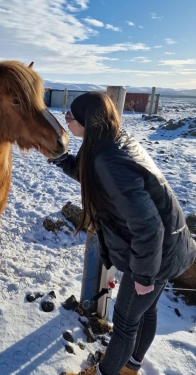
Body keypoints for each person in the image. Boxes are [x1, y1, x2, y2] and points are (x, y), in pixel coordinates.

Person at [47, 92, 196, 375]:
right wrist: (61, 160)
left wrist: (142, 276)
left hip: (157, 251)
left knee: (126, 321)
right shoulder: (110, 143)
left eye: (72, 114)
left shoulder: (108, 159)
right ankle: (130, 367)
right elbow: (95, 176)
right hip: (170, 245)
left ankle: (107, 372)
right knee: (145, 312)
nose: (66, 118)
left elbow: (148, 227)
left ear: (89, 121)